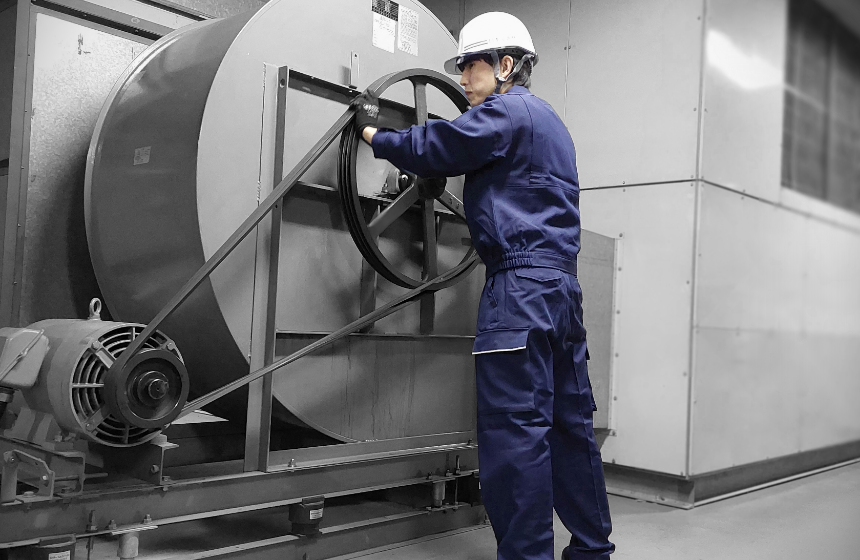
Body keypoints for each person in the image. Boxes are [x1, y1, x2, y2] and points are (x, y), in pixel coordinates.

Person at [351, 11, 614, 560]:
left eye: (470, 65)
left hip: (518, 293)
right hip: (562, 292)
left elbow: (437, 148)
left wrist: (374, 133)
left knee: (516, 434)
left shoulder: (504, 113)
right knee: (570, 428)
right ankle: (592, 550)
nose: (463, 78)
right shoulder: (552, 124)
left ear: (506, 65)